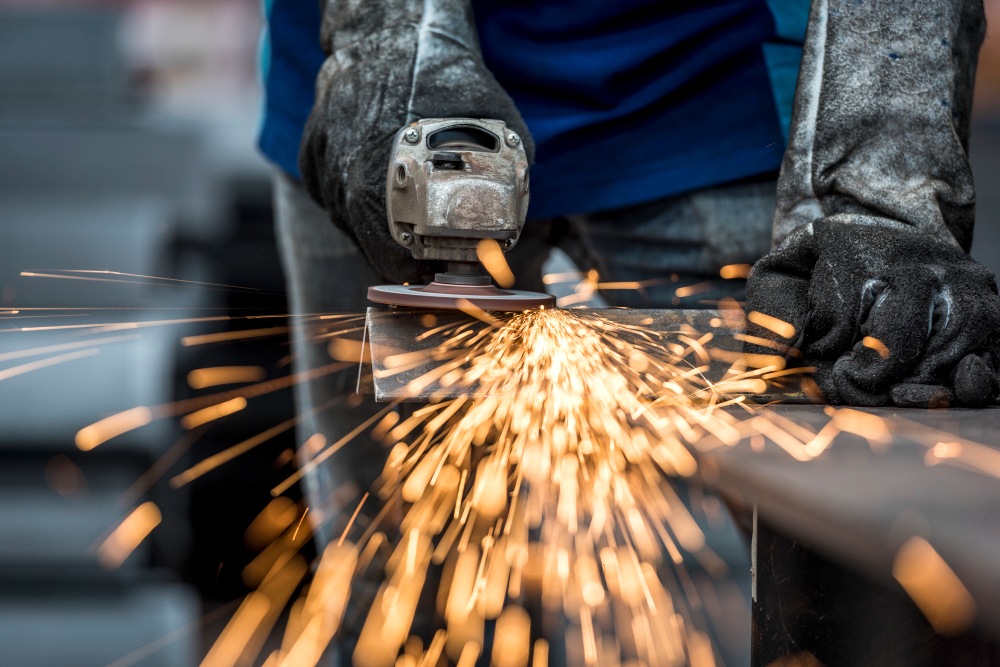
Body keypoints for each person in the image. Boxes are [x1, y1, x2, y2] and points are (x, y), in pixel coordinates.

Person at [258, 0, 998, 664]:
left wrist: (883, 185)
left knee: (715, 594)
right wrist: (385, 33)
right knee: (399, 583)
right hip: (376, 107)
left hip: (696, 81)